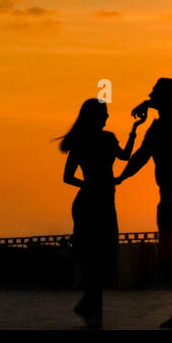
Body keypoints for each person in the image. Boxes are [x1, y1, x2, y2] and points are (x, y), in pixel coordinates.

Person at [117, 78, 172, 328]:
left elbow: (143, 155)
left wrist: (119, 178)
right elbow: (141, 156)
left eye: (154, 93)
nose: (150, 95)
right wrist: (120, 177)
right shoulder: (163, 124)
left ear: (164, 97)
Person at [59, 98, 137, 328]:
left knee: (96, 256)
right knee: (102, 254)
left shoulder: (81, 142)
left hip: (88, 201)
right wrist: (134, 133)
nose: (107, 117)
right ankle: (92, 308)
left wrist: (87, 184)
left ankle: (89, 305)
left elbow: (68, 177)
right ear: (96, 117)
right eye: (105, 113)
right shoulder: (106, 139)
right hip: (100, 202)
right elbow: (125, 156)